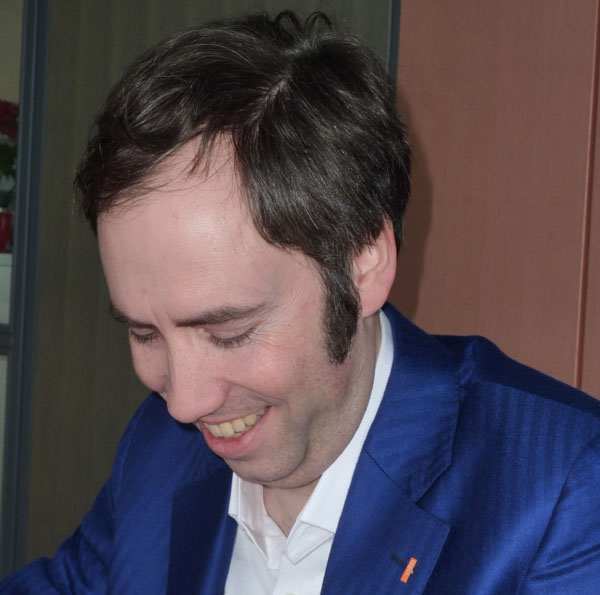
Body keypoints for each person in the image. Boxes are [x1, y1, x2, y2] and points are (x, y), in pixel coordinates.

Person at [3, 10, 600, 595]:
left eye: (229, 331)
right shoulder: (159, 451)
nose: (183, 403)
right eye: (144, 334)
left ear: (364, 262)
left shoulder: (562, 491)